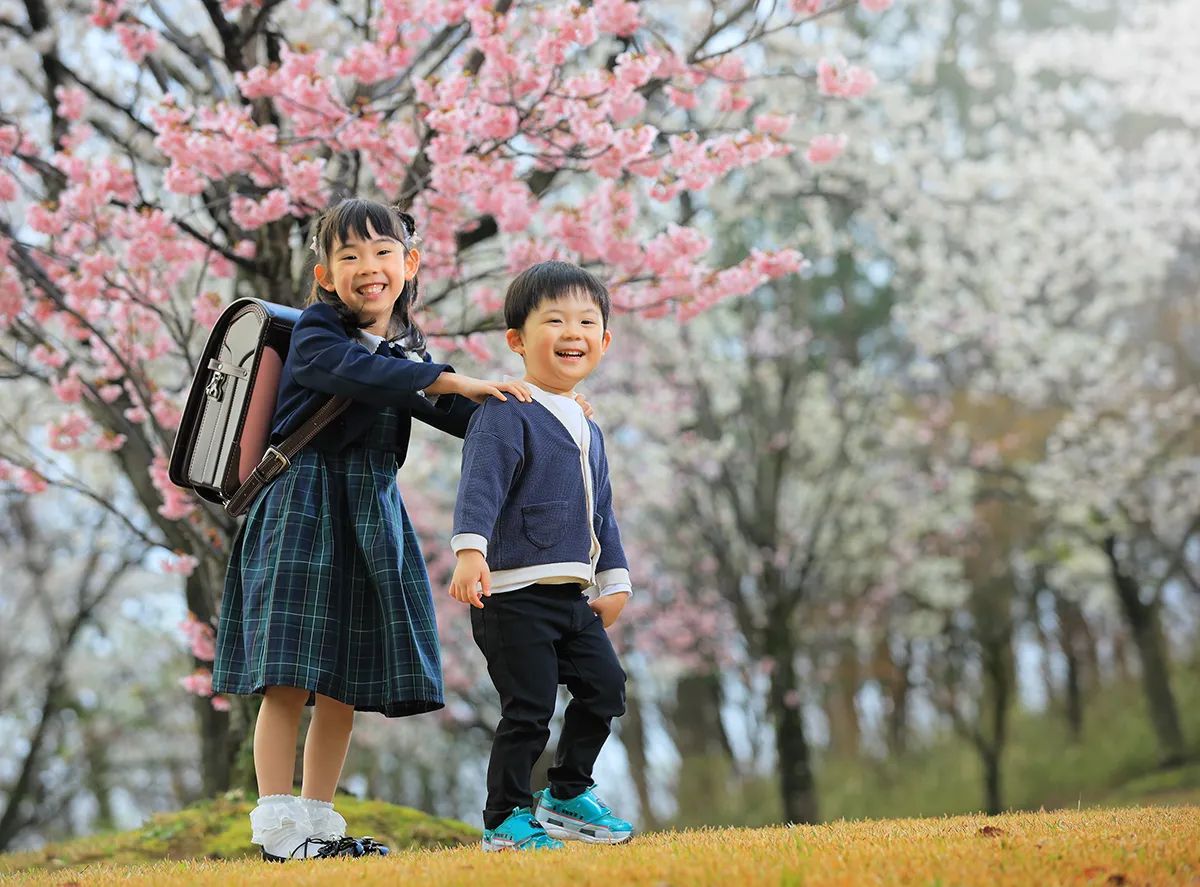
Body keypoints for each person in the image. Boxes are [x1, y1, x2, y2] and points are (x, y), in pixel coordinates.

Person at [212, 198, 548, 862]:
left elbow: (449, 406)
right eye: (349, 255)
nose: (369, 266)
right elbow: (366, 376)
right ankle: (279, 830)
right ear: (325, 276)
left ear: (409, 262)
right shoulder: (316, 332)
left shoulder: (404, 348)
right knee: (288, 675)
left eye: (382, 251)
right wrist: (446, 376)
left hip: (368, 505)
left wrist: (535, 406)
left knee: (344, 679)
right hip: (303, 499)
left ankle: (317, 823)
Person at [448, 261, 635, 852]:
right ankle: (504, 819)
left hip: (570, 595)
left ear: (604, 341)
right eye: (554, 320)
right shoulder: (505, 410)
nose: (572, 332)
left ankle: (566, 793)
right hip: (510, 593)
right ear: (517, 341)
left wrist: (614, 577)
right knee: (528, 709)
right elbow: (480, 486)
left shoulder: (587, 426)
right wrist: (470, 551)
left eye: (586, 321)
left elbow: (599, 509)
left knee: (605, 689)